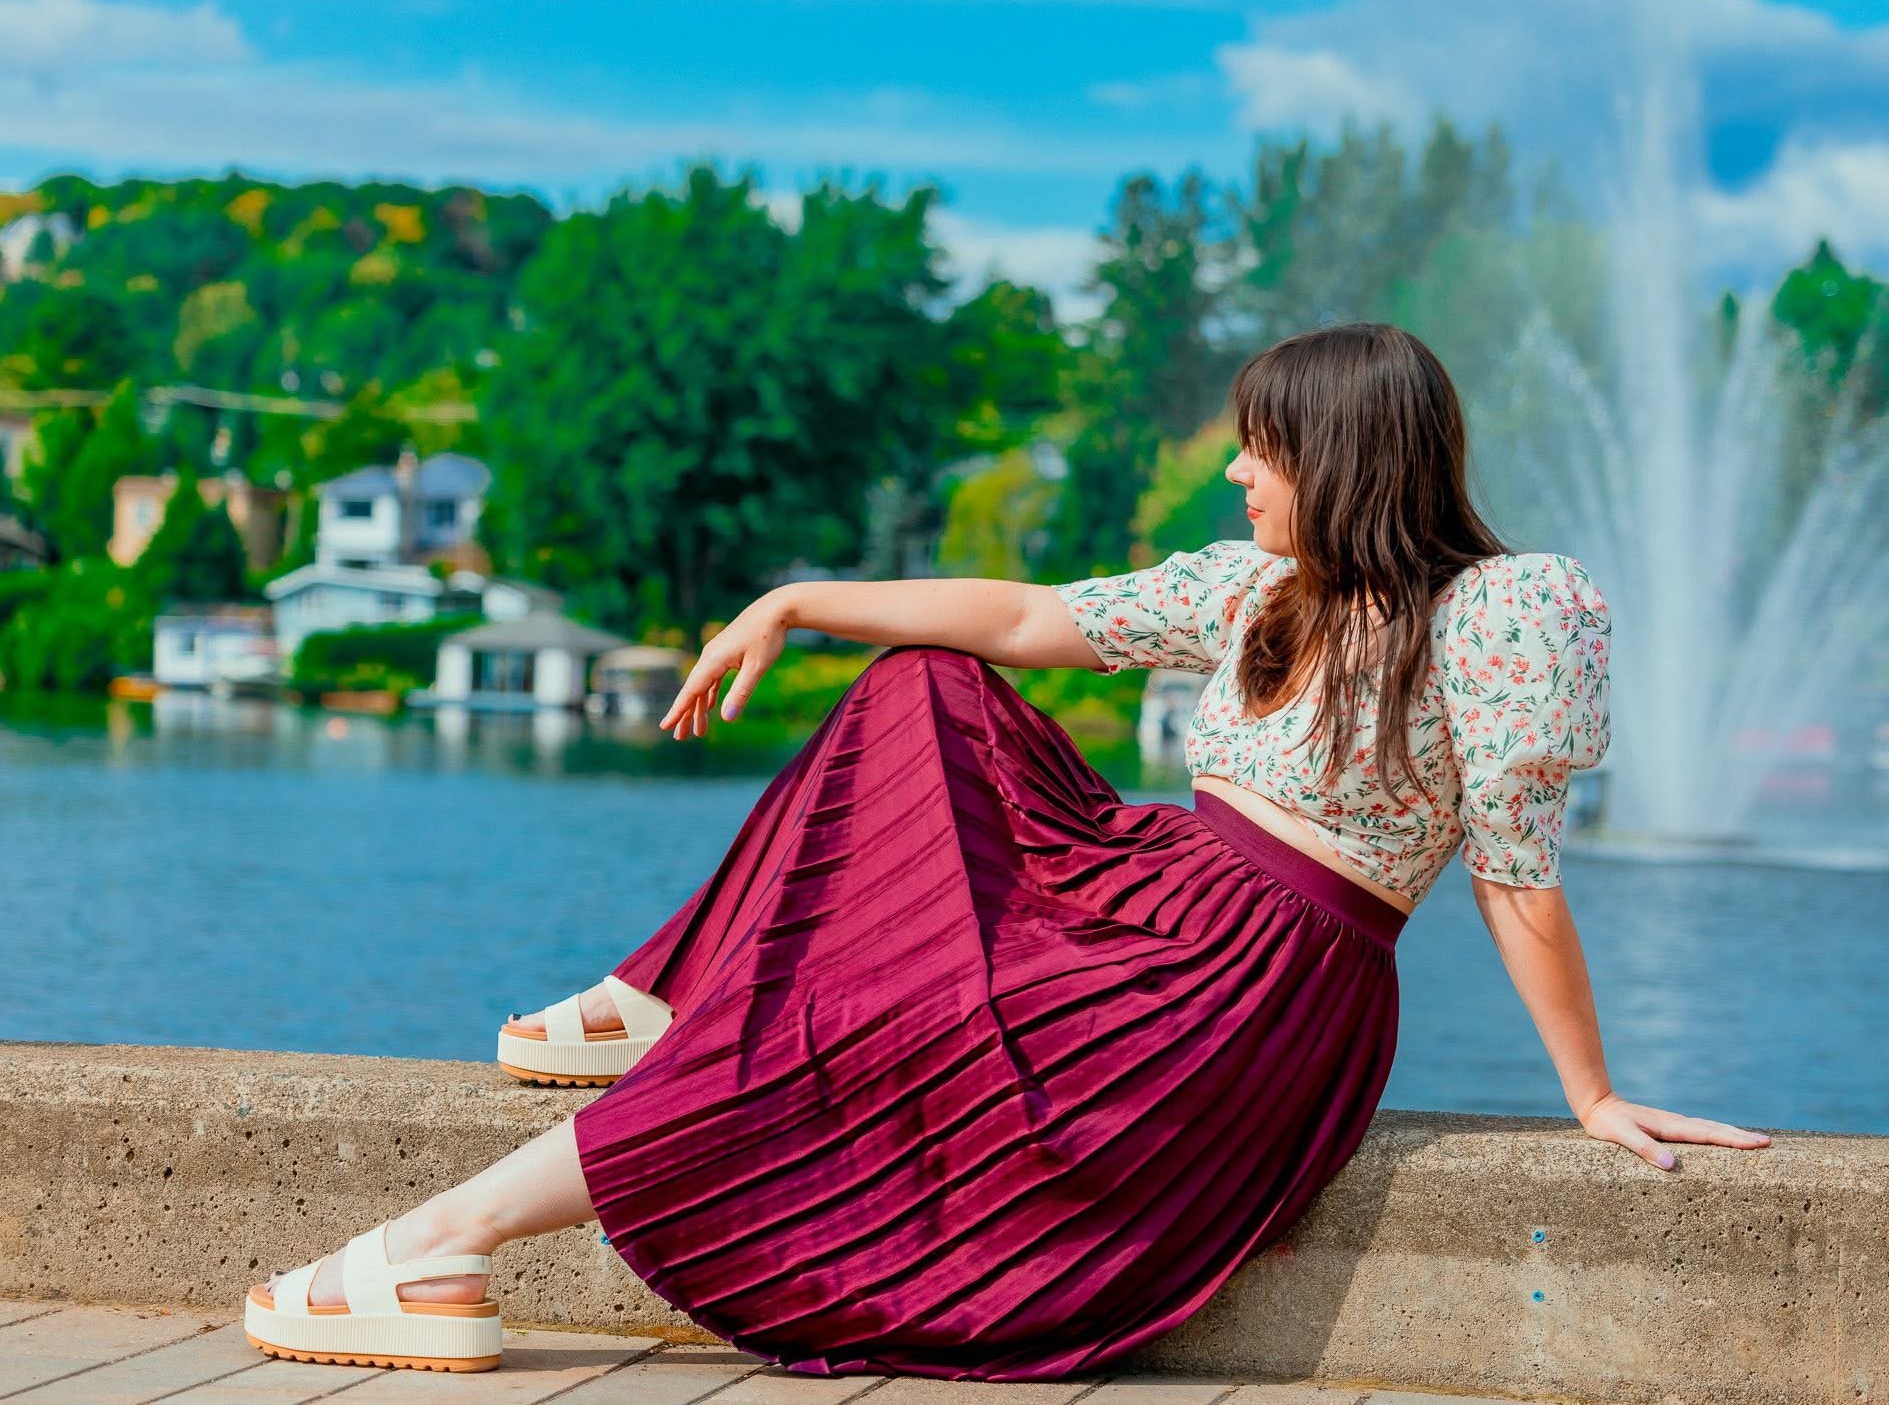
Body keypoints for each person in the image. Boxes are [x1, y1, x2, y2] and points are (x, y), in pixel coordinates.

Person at [241, 322, 1773, 1380]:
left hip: (1241, 982)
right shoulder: (1257, 592)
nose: (1237, 476)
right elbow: (1034, 619)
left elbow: (1518, 876)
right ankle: (675, 989)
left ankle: (441, 1247)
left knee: (839, 1037)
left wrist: (1588, 1090)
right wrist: (796, 599)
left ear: (1348, 456)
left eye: (1262, 453)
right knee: (927, 686)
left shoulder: (1498, 617)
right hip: (1157, 898)